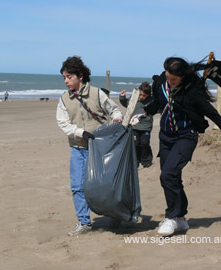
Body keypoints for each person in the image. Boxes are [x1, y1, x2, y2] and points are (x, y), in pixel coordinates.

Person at [143, 57, 221, 236]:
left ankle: (171, 217)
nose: (170, 81)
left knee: (168, 175)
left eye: (174, 79)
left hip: (186, 137)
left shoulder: (192, 91)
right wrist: (142, 114)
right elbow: (158, 104)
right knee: (172, 179)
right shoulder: (160, 84)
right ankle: (180, 219)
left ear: (182, 77)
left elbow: (212, 114)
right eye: (168, 77)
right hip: (165, 137)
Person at [56, 56, 123, 236]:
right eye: (64, 77)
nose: (66, 81)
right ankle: (84, 222)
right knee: (77, 186)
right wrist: (80, 133)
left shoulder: (97, 94)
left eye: (69, 77)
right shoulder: (64, 99)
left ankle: (114, 216)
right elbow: (62, 123)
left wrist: (117, 119)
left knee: (105, 185)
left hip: (100, 149)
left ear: (80, 76)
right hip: (78, 148)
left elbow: (114, 110)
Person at [119, 82, 154, 168]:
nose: (141, 97)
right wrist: (122, 97)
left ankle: (146, 160)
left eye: (144, 95)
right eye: (140, 95)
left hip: (146, 127)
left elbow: (159, 107)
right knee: (135, 144)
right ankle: (135, 161)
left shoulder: (152, 101)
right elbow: (126, 104)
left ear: (148, 95)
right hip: (134, 126)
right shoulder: (134, 99)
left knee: (144, 143)